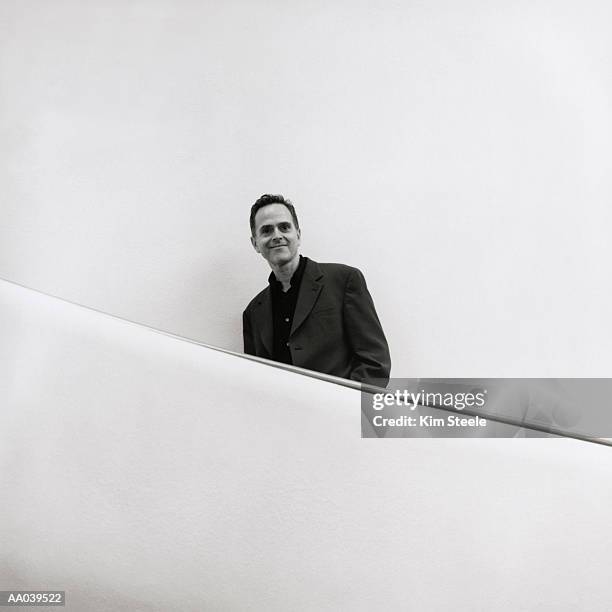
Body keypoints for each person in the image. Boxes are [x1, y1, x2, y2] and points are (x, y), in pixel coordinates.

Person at [243, 194, 391, 386]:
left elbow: (375, 363)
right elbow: (256, 380)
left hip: (340, 412)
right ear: (255, 243)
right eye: (266, 230)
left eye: (284, 227)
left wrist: (343, 408)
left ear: (298, 234)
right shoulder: (253, 312)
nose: (277, 235)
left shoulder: (345, 280)